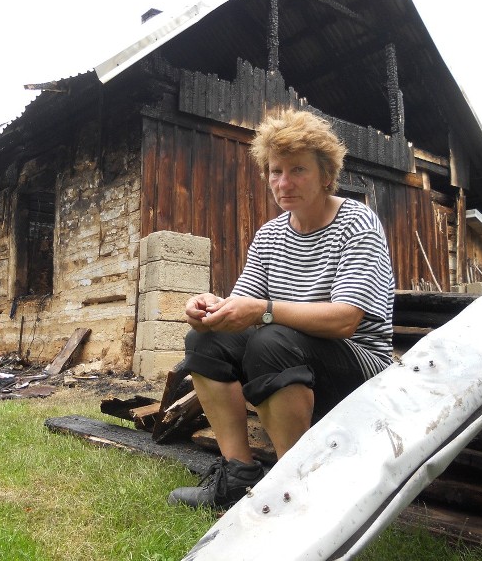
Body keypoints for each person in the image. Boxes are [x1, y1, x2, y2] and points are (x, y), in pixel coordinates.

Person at [167, 108, 395, 510]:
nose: (283, 183)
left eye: (298, 170)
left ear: (327, 175)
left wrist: (263, 311)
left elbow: (345, 319)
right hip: (289, 360)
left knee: (271, 341)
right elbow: (242, 310)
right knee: (206, 341)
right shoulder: (271, 235)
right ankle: (238, 475)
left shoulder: (357, 223)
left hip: (361, 373)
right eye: (275, 171)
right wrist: (207, 310)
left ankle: (298, 490)